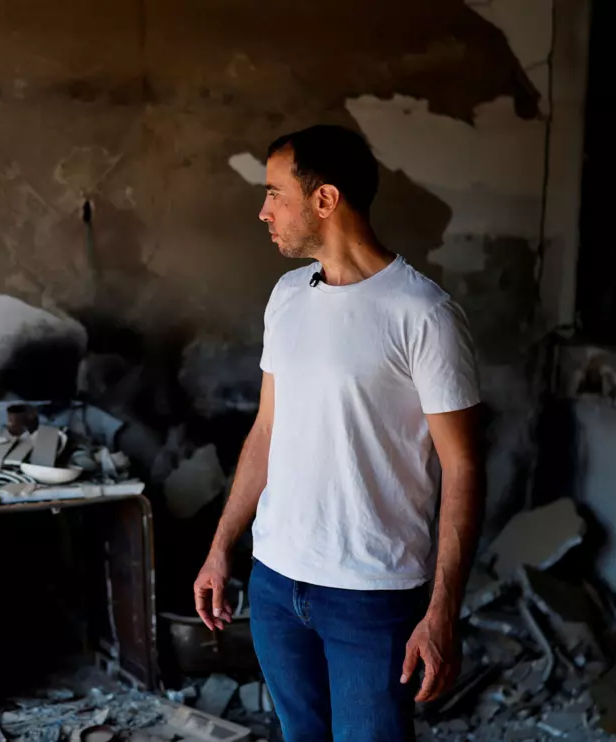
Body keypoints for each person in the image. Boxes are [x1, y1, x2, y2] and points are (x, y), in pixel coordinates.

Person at [192, 125, 483, 742]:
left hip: (370, 597)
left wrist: (441, 611)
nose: (263, 210)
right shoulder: (287, 296)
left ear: (324, 200)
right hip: (274, 582)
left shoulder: (423, 314)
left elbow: (462, 468)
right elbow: (267, 429)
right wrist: (223, 545)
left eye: (275, 193)